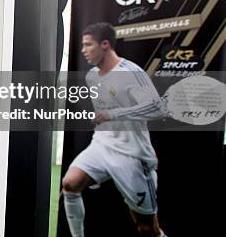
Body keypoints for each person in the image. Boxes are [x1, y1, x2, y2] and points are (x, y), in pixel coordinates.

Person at [62, 22, 168, 237]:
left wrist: (114, 114)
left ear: (105, 44)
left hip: (132, 154)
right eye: (82, 45)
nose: (83, 50)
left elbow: (158, 108)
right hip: (101, 146)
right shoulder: (92, 76)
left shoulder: (130, 73)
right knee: (70, 184)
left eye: (88, 45)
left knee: (147, 228)